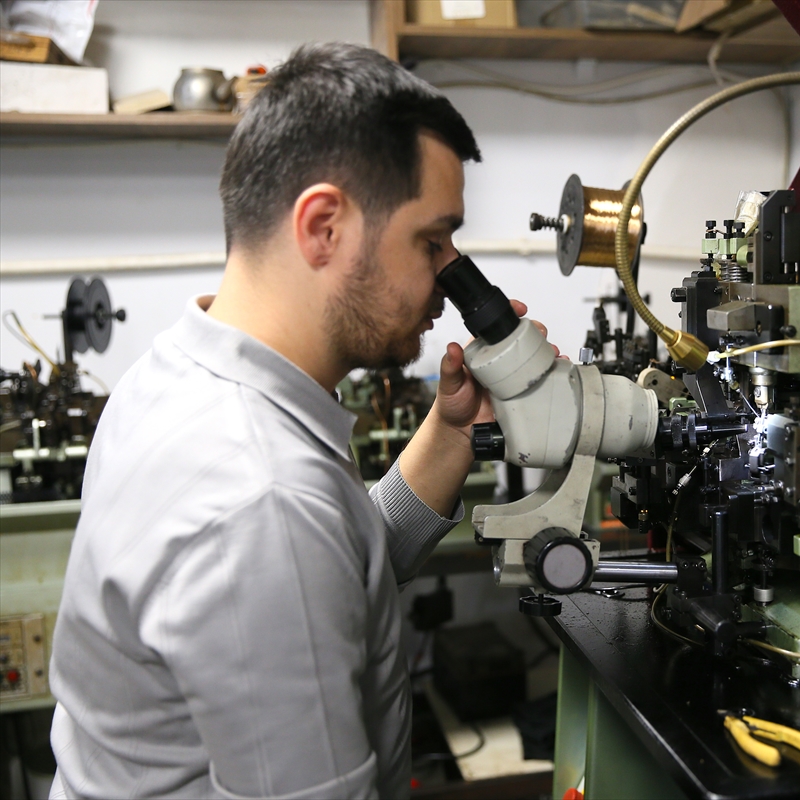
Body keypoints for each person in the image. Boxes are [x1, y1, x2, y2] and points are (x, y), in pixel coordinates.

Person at [48, 42, 533, 799]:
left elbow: (330, 575)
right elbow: (284, 538)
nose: (449, 274)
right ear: (324, 227)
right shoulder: (257, 497)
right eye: (431, 240)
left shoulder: (177, 374)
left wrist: (451, 432)